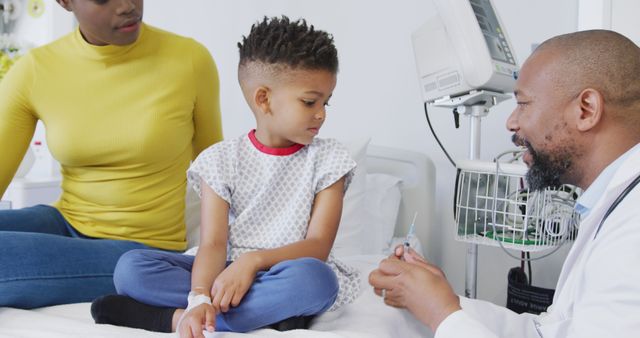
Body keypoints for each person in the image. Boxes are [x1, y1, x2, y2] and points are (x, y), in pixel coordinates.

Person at [89, 16, 361, 336]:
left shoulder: (330, 159)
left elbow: (318, 246)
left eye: (326, 102)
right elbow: (214, 243)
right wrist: (200, 295)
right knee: (131, 268)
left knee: (317, 281)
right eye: (310, 102)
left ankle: (171, 320)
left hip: (287, 271)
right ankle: (259, 314)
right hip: (222, 273)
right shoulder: (220, 160)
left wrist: (252, 263)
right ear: (263, 99)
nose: (321, 113)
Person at [369, 29, 640, 337]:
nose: (511, 122)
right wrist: (446, 301)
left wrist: (440, 313)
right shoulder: (615, 204)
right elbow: (549, 331)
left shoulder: (634, 230)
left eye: (523, 103)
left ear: (586, 110)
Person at [0, 0, 222, 309]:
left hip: (142, 250)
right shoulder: (35, 70)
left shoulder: (189, 60)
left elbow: (218, 176)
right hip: (65, 222)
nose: (127, 6)